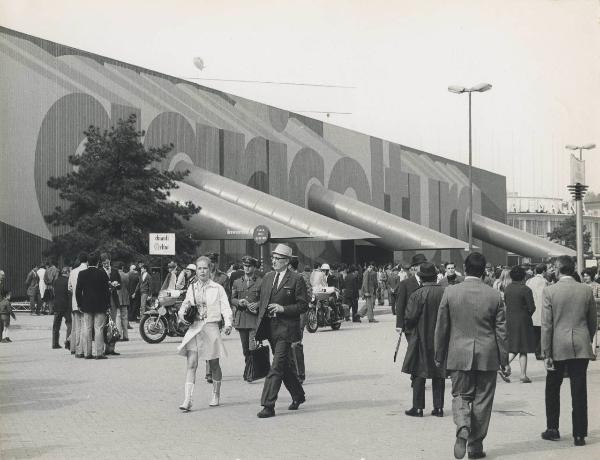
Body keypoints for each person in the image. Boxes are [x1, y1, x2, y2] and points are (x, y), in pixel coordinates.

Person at [434, 252, 509, 460]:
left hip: (458, 353)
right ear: (484, 270)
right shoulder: (494, 295)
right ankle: (475, 447)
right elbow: (501, 332)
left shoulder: (450, 292)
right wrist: (504, 360)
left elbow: (442, 327)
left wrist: (439, 353)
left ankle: (462, 425)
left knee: (460, 395)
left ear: (465, 269)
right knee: (483, 400)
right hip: (487, 354)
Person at [541, 255, 597, 447]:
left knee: (552, 387)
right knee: (579, 389)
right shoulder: (586, 290)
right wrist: (587, 338)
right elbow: (592, 321)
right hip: (581, 343)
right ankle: (579, 434)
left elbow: (547, 325)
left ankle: (553, 428)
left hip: (558, 345)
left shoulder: (550, 291)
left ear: (557, 269)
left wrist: (546, 352)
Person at [255, 243, 308, 418]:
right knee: (284, 366)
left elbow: (303, 305)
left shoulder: (296, 279)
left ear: (286, 261)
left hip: (286, 329)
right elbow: (262, 304)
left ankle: (268, 406)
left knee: (276, 366)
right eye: (273, 258)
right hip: (270, 329)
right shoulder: (268, 277)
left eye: (278, 259)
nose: (274, 261)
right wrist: (258, 331)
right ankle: (298, 395)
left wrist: (282, 309)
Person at [177, 256, 232, 411]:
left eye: (205, 268)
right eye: (199, 268)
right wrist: (182, 316)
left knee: (214, 363)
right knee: (191, 363)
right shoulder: (192, 287)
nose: (202, 271)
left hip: (211, 327)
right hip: (195, 328)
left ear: (210, 269)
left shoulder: (217, 288)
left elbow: (226, 307)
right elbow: (185, 305)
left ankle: (216, 393)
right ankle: (187, 399)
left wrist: (228, 323)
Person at [401, 262, 446, 417]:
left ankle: (418, 407)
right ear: (435, 277)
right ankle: (438, 407)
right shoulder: (444, 292)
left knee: (419, 371)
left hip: (421, 337)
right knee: (439, 372)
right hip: (440, 338)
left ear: (421, 278)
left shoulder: (417, 294)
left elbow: (410, 317)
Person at [231, 256, 261, 381]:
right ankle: (249, 367)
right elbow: (232, 298)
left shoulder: (260, 282)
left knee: (252, 347)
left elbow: (265, 298)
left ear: (254, 267)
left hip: (254, 319)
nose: (247, 268)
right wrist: (239, 302)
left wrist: (258, 304)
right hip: (242, 319)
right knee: (245, 349)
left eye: (249, 266)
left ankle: (250, 372)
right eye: (245, 266)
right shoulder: (237, 282)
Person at [503, 265, 536, 383]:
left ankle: (523, 374)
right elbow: (532, 307)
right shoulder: (526, 289)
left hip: (510, 319)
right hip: (523, 320)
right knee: (522, 347)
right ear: (523, 276)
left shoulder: (507, 289)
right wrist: (527, 314)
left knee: (517, 346)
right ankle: (504, 366)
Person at [76, 253, 111, 360]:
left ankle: (87, 353)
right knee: (99, 329)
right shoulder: (102, 273)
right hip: (100, 305)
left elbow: (78, 291)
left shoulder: (82, 274)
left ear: (87, 262)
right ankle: (99, 353)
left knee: (87, 328)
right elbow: (106, 292)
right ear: (98, 262)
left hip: (86, 305)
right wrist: (108, 305)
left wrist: (80, 304)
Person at [396, 254, 427, 333]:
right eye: (420, 265)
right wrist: (399, 325)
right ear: (414, 267)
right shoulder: (405, 284)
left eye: (424, 265)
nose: (423, 267)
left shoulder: (429, 282)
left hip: (426, 324)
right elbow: (400, 305)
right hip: (411, 325)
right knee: (413, 345)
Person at [101, 253, 122, 356]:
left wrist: (116, 285)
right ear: (101, 263)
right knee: (104, 325)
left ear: (110, 261)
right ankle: (105, 348)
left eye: (107, 262)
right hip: (104, 300)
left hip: (113, 300)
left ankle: (112, 348)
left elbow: (120, 285)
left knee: (112, 324)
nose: (106, 264)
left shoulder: (114, 271)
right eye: (104, 262)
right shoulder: (100, 272)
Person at [526, 263, 548, 360]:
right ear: (544, 271)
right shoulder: (545, 281)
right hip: (542, 309)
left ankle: (534, 349)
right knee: (541, 332)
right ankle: (539, 352)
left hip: (532, 309)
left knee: (534, 332)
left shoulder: (529, 281)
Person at [68, 253, 88, 357]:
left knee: (75, 327)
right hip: (85, 303)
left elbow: (69, 287)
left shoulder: (73, 271)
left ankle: (74, 348)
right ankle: (82, 350)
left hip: (75, 302)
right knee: (85, 326)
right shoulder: (87, 270)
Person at [52, 267, 72, 349]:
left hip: (57, 305)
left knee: (56, 326)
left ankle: (55, 343)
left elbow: (54, 293)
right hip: (66, 306)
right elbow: (69, 294)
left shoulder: (56, 281)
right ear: (67, 272)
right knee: (69, 325)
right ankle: (68, 342)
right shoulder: (68, 281)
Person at [582, 268, 600, 356]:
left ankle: (592, 352)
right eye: (584, 276)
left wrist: (591, 300)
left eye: (587, 276)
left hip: (595, 311)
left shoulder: (597, 286)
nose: (585, 278)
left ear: (591, 276)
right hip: (582, 312)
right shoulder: (581, 286)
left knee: (594, 330)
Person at [116, 263, 132, 334]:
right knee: (125, 317)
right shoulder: (126, 275)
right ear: (122, 267)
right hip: (125, 297)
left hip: (117, 297)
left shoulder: (115, 275)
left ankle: (119, 334)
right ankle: (126, 335)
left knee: (118, 316)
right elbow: (128, 287)